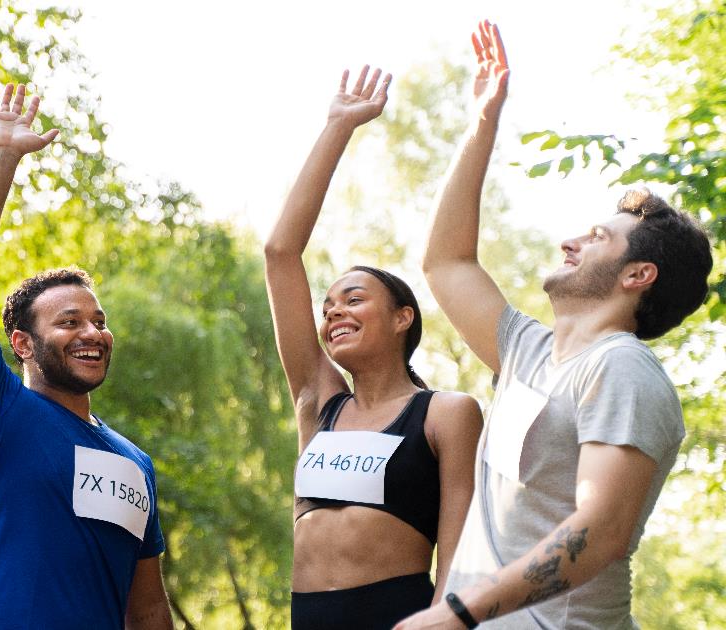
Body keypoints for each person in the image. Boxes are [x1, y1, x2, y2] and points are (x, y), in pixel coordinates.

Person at [396, 21, 714, 629]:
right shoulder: (526, 352)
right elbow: (446, 261)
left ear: (638, 274)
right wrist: (482, 122)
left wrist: (457, 612)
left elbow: (601, 530)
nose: (570, 241)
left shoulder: (622, 369)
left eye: (597, 238)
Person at [0, 84, 173, 629]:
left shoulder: (135, 463)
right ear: (22, 344)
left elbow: (148, 608)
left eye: (99, 321)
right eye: (69, 322)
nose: (92, 333)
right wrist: (3, 155)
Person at [264, 66, 484, 629]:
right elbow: (280, 253)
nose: (333, 311)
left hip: (401, 616)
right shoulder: (318, 401)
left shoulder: (447, 413)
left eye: (354, 299)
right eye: (327, 306)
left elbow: (459, 544)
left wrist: (444, 621)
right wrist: (337, 125)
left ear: (402, 317)